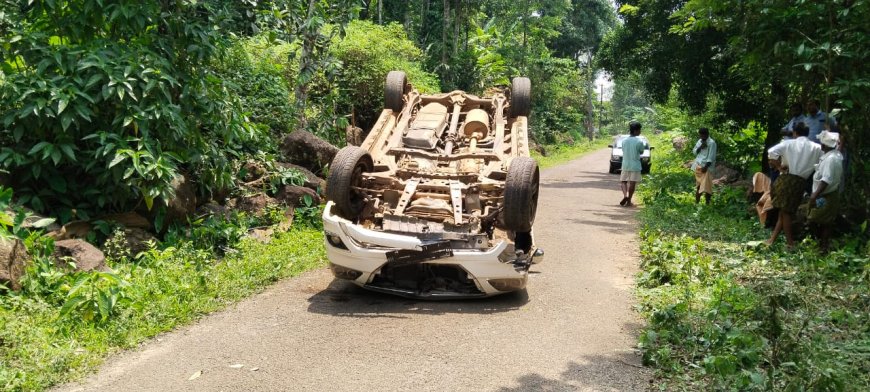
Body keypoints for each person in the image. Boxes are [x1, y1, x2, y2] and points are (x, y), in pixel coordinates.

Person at [764, 122, 822, 249]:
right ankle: (772, 239)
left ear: (795, 132)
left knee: (785, 212)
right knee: (784, 211)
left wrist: (779, 166)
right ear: (807, 133)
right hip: (801, 182)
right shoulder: (817, 147)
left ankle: (790, 243)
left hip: (786, 179)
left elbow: (771, 152)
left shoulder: (788, 143)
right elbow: (821, 162)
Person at [807, 130, 844, 251]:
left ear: (823, 145)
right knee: (825, 221)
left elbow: (826, 179)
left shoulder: (831, 159)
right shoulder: (834, 155)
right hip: (827, 194)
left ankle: (822, 245)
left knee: (814, 219)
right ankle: (822, 245)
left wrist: (814, 196)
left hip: (826, 194)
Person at [619, 121, 645, 207]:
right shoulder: (639, 141)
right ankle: (629, 201)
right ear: (635, 130)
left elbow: (623, 150)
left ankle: (625, 196)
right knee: (632, 183)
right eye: (639, 130)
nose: (640, 132)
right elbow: (641, 152)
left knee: (623, 181)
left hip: (625, 164)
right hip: (635, 165)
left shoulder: (624, 141)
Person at [691, 128, 717, 204]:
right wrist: (701, 147)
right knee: (698, 186)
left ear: (707, 134)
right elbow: (694, 152)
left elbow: (711, 157)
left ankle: (707, 203)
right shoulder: (699, 141)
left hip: (707, 167)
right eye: (700, 135)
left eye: (702, 135)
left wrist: (705, 167)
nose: (701, 137)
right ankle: (696, 203)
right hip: (698, 166)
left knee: (707, 187)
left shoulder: (712, 143)